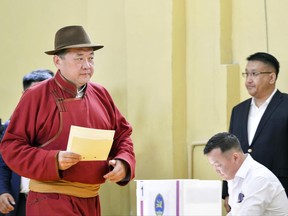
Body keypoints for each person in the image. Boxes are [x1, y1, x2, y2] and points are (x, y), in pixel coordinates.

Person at [0, 25, 136, 216]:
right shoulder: (35, 96)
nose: (87, 65)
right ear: (57, 61)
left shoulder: (101, 94)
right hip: (50, 201)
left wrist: (124, 162)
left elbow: (123, 136)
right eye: (79, 58)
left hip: (91, 200)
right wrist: (53, 160)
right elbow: (11, 146)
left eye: (90, 58)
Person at [222, 52, 288, 213]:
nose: (248, 80)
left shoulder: (286, 105)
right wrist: (226, 192)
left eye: (254, 74)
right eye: (246, 74)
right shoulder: (238, 110)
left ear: (271, 77)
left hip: (280, 188)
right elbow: (230, 152)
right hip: (243, 191)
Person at [0, 69, 54, 216]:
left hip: (53, 202)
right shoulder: (11, 126)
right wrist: (2, 191)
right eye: (35, 92)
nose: (41, 98)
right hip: (19, 202)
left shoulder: (64, 124)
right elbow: (3, 164)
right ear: (24, 95)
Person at [204, 132, 288, 216]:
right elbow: (235, 213)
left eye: (218, 165)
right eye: (213, 165)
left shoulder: (259, 178)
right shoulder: (233, 177)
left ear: (235, 158)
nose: (216, 170)